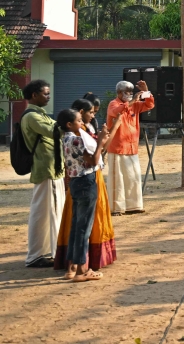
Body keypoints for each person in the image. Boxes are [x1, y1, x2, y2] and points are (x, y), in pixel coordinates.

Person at [55, 96, 117, 273]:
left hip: (75, 182)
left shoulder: (65, 139)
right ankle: (82, 269)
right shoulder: (77, 139)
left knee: (76, 225)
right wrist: (101, 143)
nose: (82, 123)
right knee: (84, 227)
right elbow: (93, 160)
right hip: (86, 182)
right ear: (69, 124)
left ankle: (71, 267)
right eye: (79, 121)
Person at [21, 80, 64, 268]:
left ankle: (46, 251)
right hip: (46, 169)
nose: (48, 96)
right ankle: (38, 255)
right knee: (46, 213)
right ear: (33, 96)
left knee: (50, 212)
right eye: (45, 93)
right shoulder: (32, 116)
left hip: (52, 169)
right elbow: (54, 131)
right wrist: (74, 122)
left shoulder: (41, 114)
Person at [104, 80, 155, 215]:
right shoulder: (113, 104)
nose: (130, 94)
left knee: (133, 177)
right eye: (127, 92)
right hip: (117, 148)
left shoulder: (135, 106)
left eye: (131, 92)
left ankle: (134, 205)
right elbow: (116, 112)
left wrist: (146, 90)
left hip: (132, 147)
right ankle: (116, 208)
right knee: (117, 179)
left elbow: (150, 105)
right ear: (120, 93)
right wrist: (131, 102)